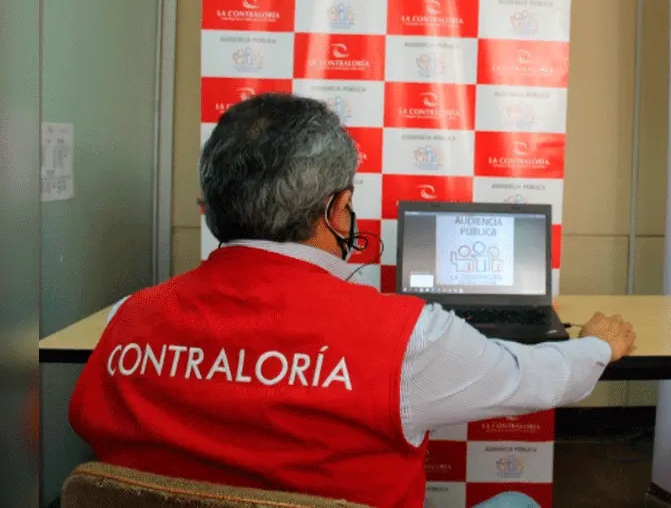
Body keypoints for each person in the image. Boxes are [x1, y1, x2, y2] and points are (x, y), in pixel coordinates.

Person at [68, 93, 636, 508]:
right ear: (337, 209)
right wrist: (598, 347)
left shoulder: (128, 317)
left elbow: (88, 427)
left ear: (211, 207)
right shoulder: (408, 338)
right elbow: (531, 377)